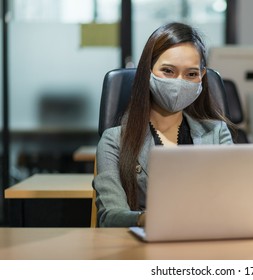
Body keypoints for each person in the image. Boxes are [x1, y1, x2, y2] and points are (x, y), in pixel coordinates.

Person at [93, 22, 233, 227]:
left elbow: (232, 202)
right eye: (168, 71)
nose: (179, 82)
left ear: (202, 77)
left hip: (207, 243)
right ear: (147, 70)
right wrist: (145, 219)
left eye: (191, 74)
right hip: (143, 249)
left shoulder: (217, 133)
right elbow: (110, 216)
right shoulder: (114, 140)